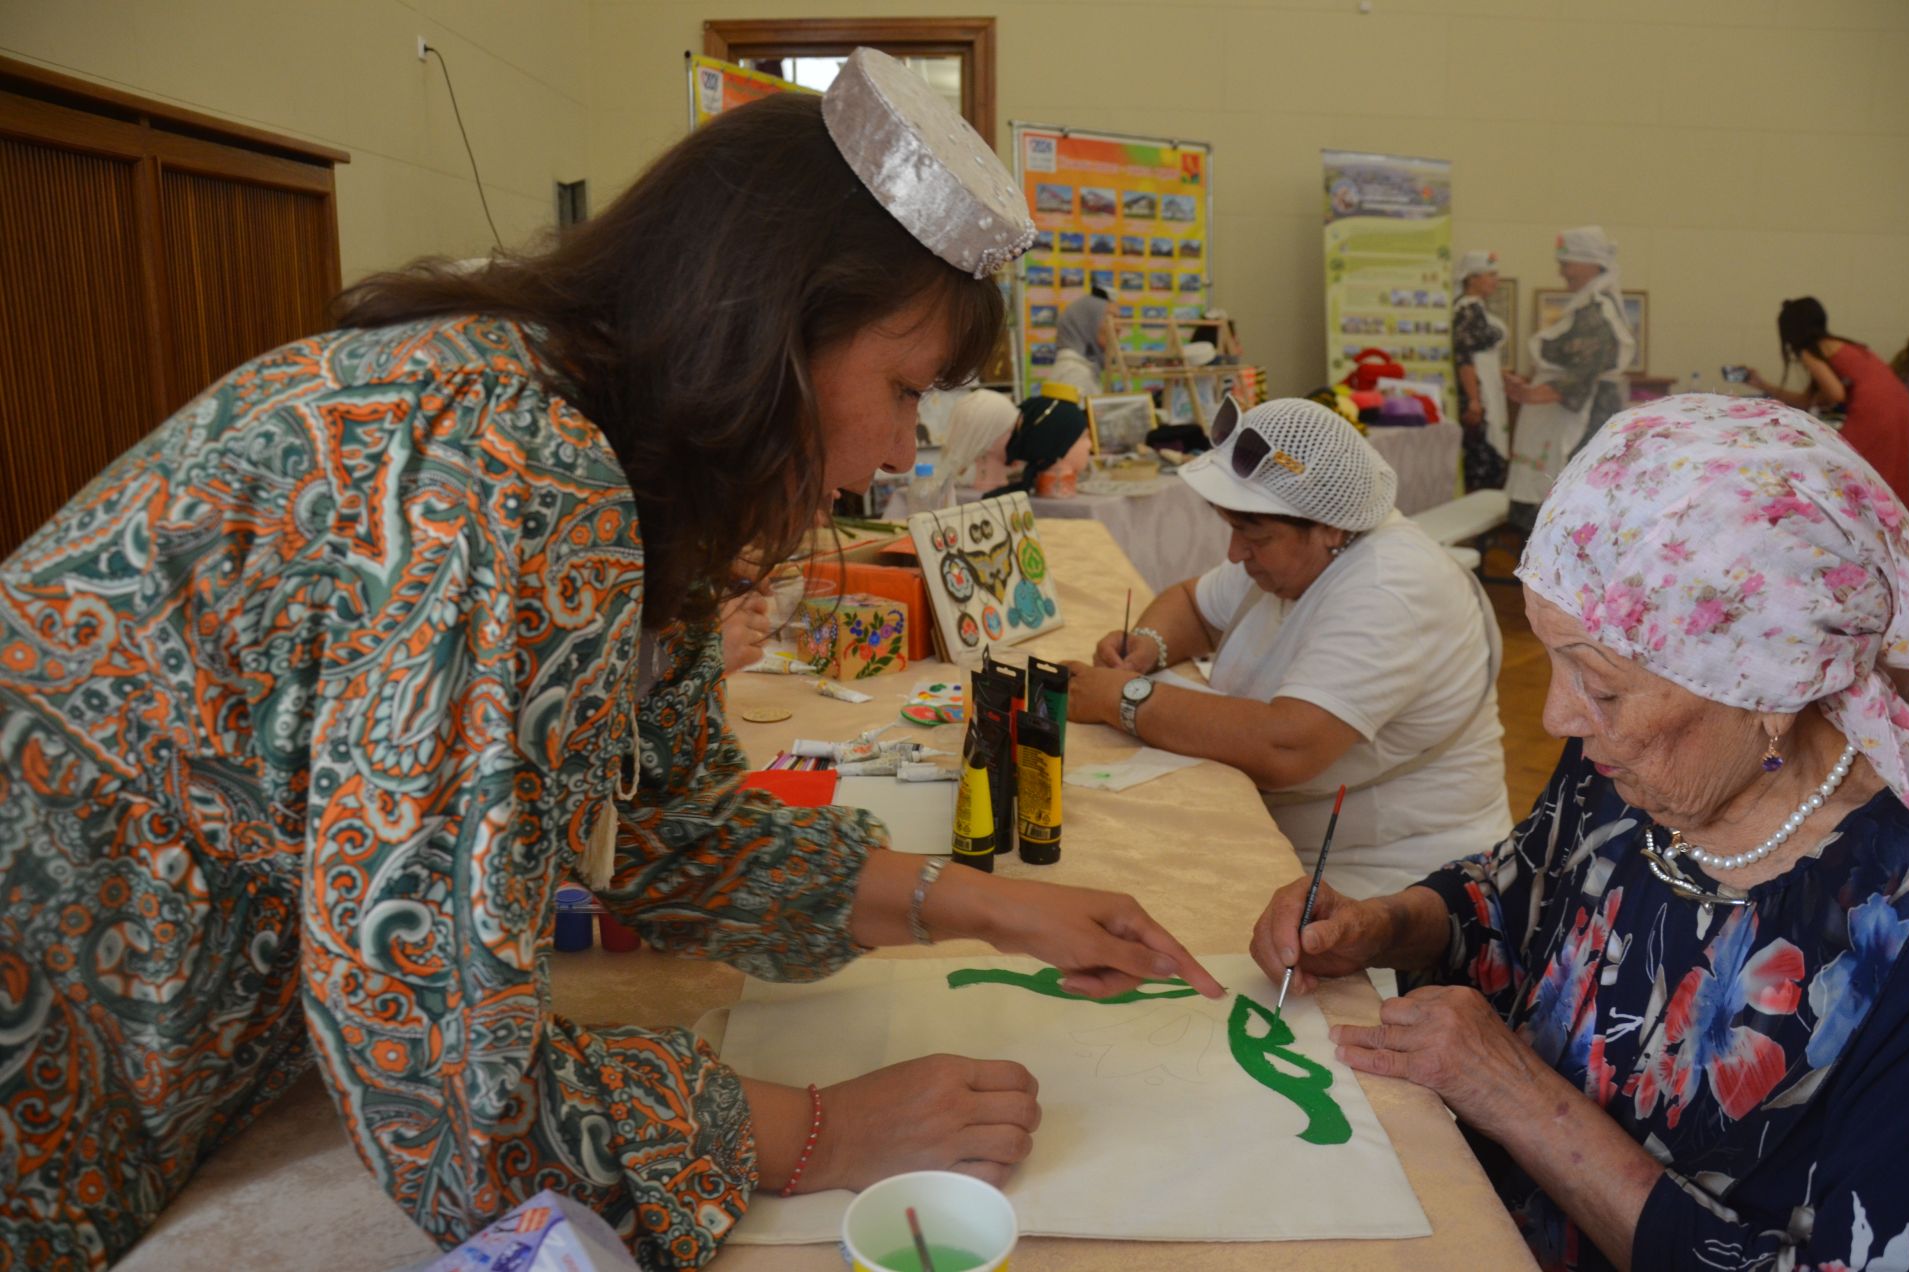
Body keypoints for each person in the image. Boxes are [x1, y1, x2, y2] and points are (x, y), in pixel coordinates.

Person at [0, 49, 1224, 1270]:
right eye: (903, 391)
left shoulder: (607, 461)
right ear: (773, 322)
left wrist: (988, 905)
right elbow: (440, 1061)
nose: (889, 459)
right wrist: (819, 1130)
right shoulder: (517, 476)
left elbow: (668, 823)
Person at [1252, 393, 1909, 1270]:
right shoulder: (1632, 776)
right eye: (1553, 658)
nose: (1559, 717)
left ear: (1773, 693)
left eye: (1600, 685)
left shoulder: (1895, 944)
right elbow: (1508, 894)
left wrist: (1519, 1098)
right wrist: (1381, 924)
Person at [1065, 397, 1509, 896]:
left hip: (1393, 883)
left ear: (1331, 528)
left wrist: (1123, 699)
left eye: (1252, 535)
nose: (1235, 553)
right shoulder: (1298, 555)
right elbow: (1192, 604)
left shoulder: (1389, 589)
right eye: (1233, 529)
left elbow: (1287, 746)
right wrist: (1148, 645)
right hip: (1299, 845)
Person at [1504, 225, 1635, 528]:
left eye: (1567, 263)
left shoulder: (1597, 312)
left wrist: (1532, 394)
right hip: (1569, 412)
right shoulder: (1587, 306)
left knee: (1574, 499)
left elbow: (1583, 372)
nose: (1562, 271)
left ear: (1590, 264)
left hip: (1585, 418)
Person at [1738, 297, 1909, 507]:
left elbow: (1836, 394)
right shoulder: (1842, 345)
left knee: (1850, 470)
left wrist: (1824, 399)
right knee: (1889, 473)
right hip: (1898, 403)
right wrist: (1763, 384)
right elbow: (1807, 400)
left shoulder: (1809, 350)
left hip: (1873, 410)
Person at [1451, 249, 1509, 491]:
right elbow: (1465, 358)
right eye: (1489, 274)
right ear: (1471, 278)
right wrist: (1474, 401)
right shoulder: (1467, 310)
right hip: (1479, 394)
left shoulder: (1477, 309)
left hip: (1489, 389)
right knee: (1482, 457)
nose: (1495, 280)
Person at [1049, 288, 1111, 400]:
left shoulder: (1082, 367)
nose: (1118, 327)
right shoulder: (1075, 373)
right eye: (1109, 318)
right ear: (1088, 323)